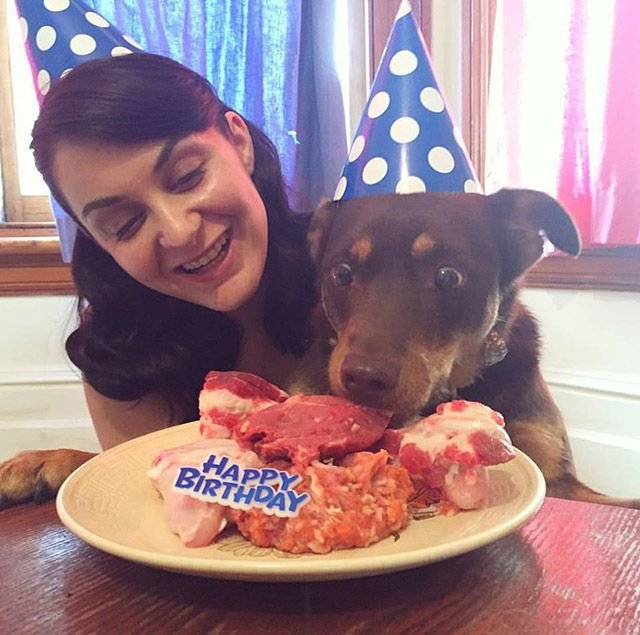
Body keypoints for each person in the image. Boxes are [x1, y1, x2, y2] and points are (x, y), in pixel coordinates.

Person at [29, 52, 318, 451]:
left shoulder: (358, 278)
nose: (179, 232)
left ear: (238, 142)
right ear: (97, 240)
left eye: (187, 177)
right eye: (124, 223)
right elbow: (145, 485)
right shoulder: (120, 358)